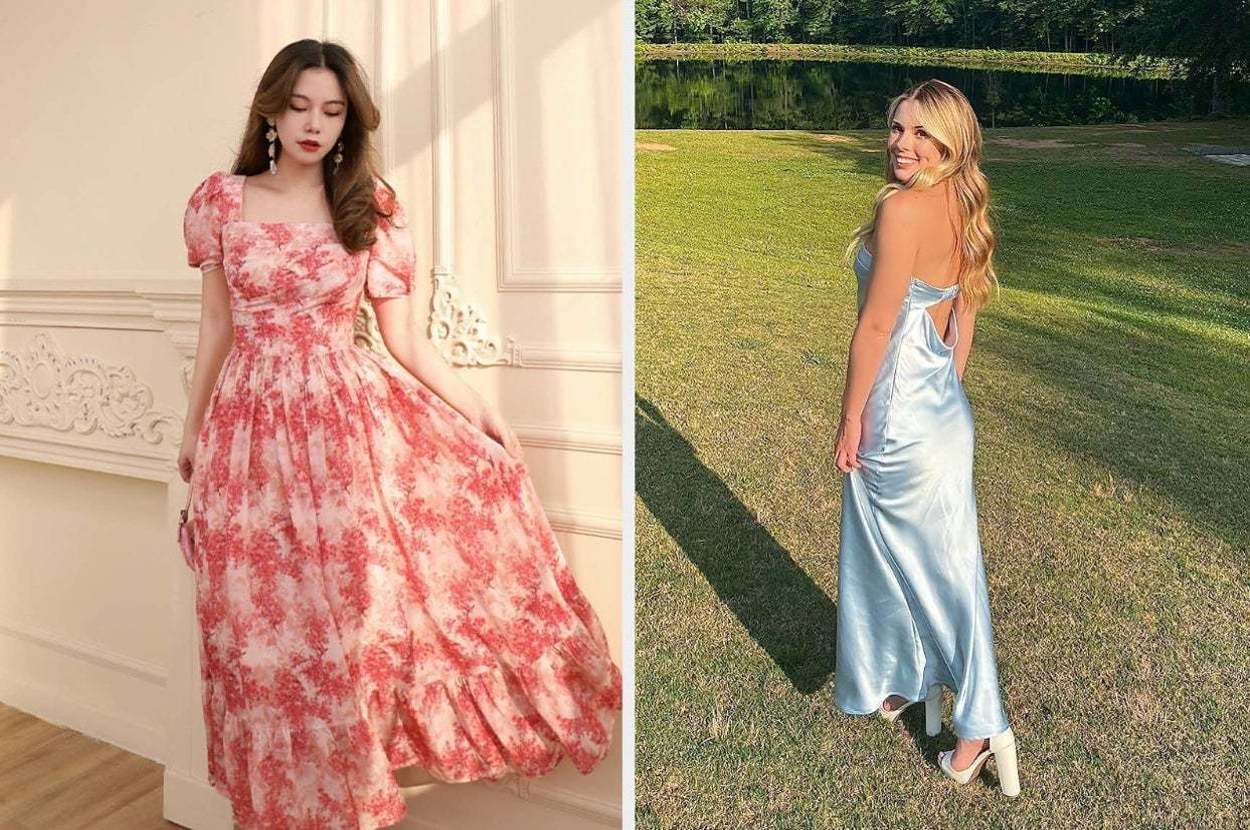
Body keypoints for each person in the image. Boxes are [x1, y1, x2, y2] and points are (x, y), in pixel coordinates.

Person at [178, 39, 622, 829]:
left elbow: (405, 341)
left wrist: (476, 408)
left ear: (349, 120)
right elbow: (217, 323)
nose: (313, 123)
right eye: (300, 105)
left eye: (332, 109)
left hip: (344, 433)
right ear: (270, 108)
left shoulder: (368, 206)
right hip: (246, 440)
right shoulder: (219, 200)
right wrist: (194, 429)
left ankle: (350, 804)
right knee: (264, 638)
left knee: (351, 631)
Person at [831, 78, 1019, 798]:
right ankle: (916, 681)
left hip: (899, 414)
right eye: (895, 127)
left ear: (950, 141)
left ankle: (980, 724)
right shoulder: (961, 202)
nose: (901, 144)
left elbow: (877, 326)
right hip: (939, 409)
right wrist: (947, 387)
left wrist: (853, 417)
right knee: (924, 559)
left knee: (935, 571)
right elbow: (961, 316)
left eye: (919, 133)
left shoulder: (902, 208)